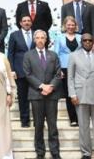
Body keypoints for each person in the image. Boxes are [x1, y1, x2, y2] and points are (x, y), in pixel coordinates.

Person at [68, 33, 94, 159]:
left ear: (93, 42)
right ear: (81, 42)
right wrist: (72, 94)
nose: (87, 42)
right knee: (83, 126)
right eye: (84, 40)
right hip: (80, 95)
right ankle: (86, 152)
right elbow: (70, 77)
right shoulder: (73, 56)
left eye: (89, 40)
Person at [24, 29, 62, 159]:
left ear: (46, 40)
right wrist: (42, 86)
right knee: (38, 126)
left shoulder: (53, 55)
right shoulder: (28, 55)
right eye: (38, 38)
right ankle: (40, 153)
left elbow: (58, 73)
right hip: (36, 95)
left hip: (52, 96)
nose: (40, 40)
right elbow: (28, 74)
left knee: (52, 126)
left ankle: (55, 152)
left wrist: (50, 86)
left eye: (42, 38)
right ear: (34, 40)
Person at [52, 16, 81, 126]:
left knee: (79, 92)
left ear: (75, 26)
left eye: (72, 24)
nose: (70, 27)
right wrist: (59, 70)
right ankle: (73, 119)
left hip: (79, 67)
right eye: (68, 25)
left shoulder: (80, 37)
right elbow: (56, 54)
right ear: (65, 26)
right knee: (70, 93)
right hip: (65, 67)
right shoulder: (59, 37)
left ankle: (81, 117)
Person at [7, 14, 35, 127]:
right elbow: (10, 53)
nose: (27, 22)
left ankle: (38, 120)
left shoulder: (37, 34)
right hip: (20, 71)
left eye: (29, 20)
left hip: (35, 71)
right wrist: (12, 70)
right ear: (20, 23)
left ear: (31, 23)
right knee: (23, 97)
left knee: (36, 97)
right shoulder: (14, 35)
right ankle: (25, 120)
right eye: (24, 21)